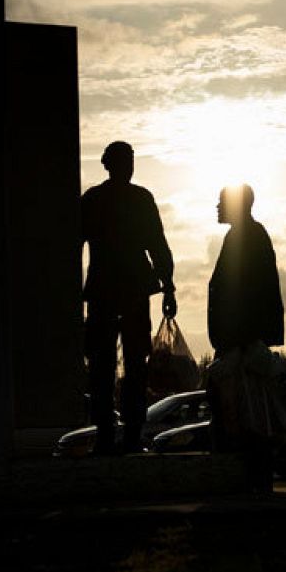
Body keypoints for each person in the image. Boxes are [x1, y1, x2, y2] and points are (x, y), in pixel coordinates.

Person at [80, 141, 175, 454]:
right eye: (125, 160)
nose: (129, 166)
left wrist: (169, 285)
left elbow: (158, 246)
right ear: (110, 164)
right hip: (115, 294)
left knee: (130, 366)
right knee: (107, 367)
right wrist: (168, 285)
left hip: (124, 294)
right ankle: (112, 435)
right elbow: (158, 247)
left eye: (131, 160)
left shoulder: (114, 199)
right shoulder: (102, 200)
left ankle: (126, 435)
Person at [206, 182, 284, 491]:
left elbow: (250, 290)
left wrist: (243, 340)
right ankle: (247, 475)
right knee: (241, 408)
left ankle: (249, 476)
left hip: (241, 339)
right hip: (240, 338)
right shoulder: (245, 235)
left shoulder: (247, 237)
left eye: (222, 201)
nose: (217, 206)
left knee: (245, 410)